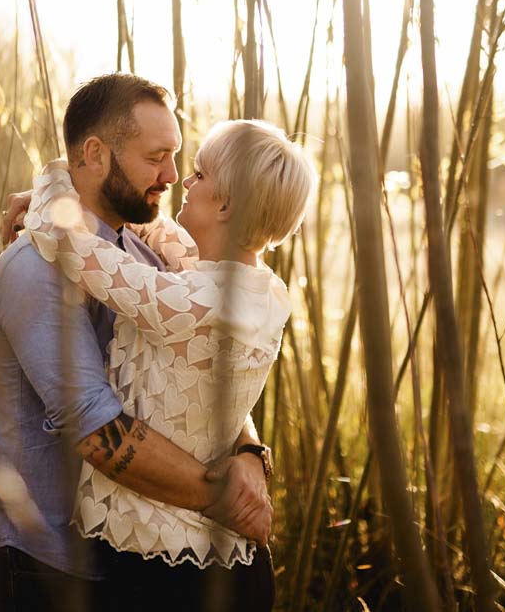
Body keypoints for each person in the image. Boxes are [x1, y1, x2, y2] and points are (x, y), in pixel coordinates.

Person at [0, 74, 272, 612]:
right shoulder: (34, 268)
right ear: (95, 153)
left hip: (113, 559)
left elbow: (202, 370)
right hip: (34, 560)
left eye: (178, 158)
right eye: (156, 157)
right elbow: (95, 426)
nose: (172, 176)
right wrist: (221, 498)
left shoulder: (145, 256)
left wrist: (247, 451)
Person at [19, 117, 315, 612]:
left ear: (226, 205)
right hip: (225, 564)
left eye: (199, 174)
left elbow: (73, 247)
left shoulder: (194, 303)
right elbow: (159, 232)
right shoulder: (258, 290)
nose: (183, 181)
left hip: (164, 569)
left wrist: (58, 178)